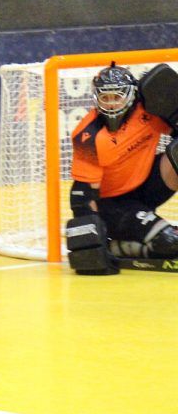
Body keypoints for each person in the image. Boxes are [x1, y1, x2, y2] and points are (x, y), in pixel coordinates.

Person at [66, 62, 178, 275]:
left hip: (147, 187)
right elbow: (83, 195)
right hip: (113, 205)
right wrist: (91, 242)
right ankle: (116, 245)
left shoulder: (148, 109)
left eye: (116, 96)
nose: (111, 104)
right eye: (105, 98)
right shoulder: (87, 136)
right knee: (169, 242)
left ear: (129, 95)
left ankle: (146, 231)